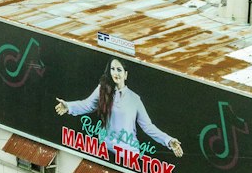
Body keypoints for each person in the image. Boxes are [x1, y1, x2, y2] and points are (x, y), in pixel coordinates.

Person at [55, 58, 183, 159]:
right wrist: (68, 106)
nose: (115, 73)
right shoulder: (103, 89)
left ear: (126, 74)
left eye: (119, 69)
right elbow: (87, 105)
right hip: (106, 150)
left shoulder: (135, 99)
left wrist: (168, 140)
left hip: (128, 154)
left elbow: (148, 127)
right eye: (113, 69)